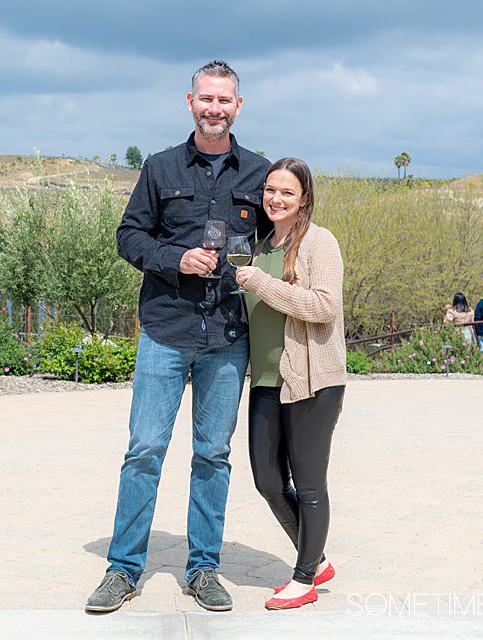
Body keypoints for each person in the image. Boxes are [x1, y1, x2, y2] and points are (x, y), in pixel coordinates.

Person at [85, 60, 271, 613]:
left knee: (213, 455)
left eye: (225, 100)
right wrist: (175, 258)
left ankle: (203, 569)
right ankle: (123, 569)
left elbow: (283, 231)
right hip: (166, 331)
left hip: (228, 335)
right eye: (205, 98)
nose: (215, 108)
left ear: (239, 106)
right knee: (144, 450)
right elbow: (129, 236)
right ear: (189, 101)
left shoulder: (259, 173)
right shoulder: (160, 168)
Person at [235, 157, 346, 610]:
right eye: (270, 190)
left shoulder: (320, 243)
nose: (276, 199)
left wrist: (260, 282)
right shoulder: (259, 245)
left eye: (287, 192)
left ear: (304, 200)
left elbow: (323, 306)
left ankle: (304, 579)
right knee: (266, 479)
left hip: (312, 380)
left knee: (310, 483)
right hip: (263, 382)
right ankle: (316, 558)